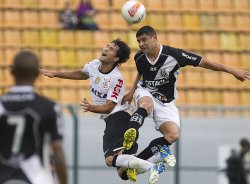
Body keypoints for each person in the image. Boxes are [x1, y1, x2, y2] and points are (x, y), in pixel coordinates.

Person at [121, 26, 250, 170]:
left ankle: (135, 162)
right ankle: (131, 135)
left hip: (166, 101)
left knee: (172, 135)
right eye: (138, 41)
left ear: (154, 38)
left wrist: (233, 71)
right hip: (145, 92)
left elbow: (204, 62)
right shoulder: (139, 57)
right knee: (146, 105)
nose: (140, 44)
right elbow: (140, 74)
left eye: (144, 40)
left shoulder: (174, 55)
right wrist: (132, 91)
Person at [40, 39, 168, 184]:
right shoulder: (94, 65)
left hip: (119, 117)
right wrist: (55, 74)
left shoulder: (116, 79)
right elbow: (82, 74)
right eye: (107, 46)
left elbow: (109, 107)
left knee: (109, 160)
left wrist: (91, 107)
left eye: (111, 49)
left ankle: (153, 167)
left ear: (116, 58)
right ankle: (159, 155)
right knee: (122, 172)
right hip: (114, 118)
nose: (106, 49)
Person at [0, 50, 67, 184]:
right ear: (37, 74)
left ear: (12, 73)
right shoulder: (49, 107)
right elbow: (57, 151)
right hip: (36, 177)